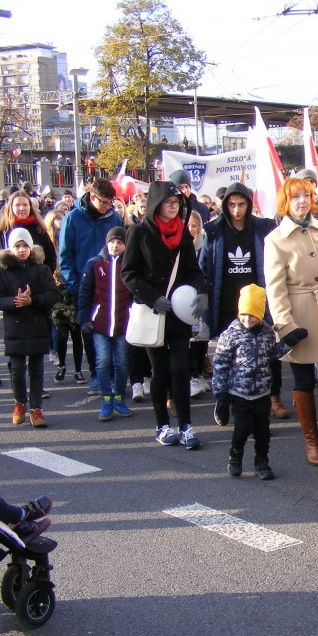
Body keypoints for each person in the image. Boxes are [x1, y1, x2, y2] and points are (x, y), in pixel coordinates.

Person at [121, 181, 210, 449]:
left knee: (180, 369)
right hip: (153, 311)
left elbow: (193, 269)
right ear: (156, 204)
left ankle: (185, 425)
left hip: (178, 312)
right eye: (169, 202)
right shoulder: (138, 232)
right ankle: (162, 425)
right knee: (159, 371)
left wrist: (202, 290)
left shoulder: (182, 232)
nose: (174, 206)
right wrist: (151, 297)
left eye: (177, 203)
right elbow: (129, 273)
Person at [264, 176, 318, 467]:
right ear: (286, 201)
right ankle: (311, 441)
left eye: (306, 195)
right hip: (299, 315)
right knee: (304, 380)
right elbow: (275, 287)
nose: (301, 201)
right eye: (295, 196)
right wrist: (285, 325)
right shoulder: (274, 239)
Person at [202, 182, 291, 419]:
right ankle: (227, 398)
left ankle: (274, 396)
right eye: (231, 205)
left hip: (258, 300)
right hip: (227, 300)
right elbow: (204, 266)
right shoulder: (214, 230)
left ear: (249, 204)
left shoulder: (262, 228)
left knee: (269, 350)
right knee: (228, 354)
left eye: (241, 204)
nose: (236, 210)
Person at [211, 284, 292, 481]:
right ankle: (235, 456)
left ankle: (261, 461)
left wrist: (290, 342)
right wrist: (221, 394)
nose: (248, 319)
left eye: (253, 314)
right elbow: (220, 364)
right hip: (239, 392)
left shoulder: (267, 332)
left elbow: (272, 355)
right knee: (242, 428)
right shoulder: (231, 334)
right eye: (244, 314)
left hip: (262, 393)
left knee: (263, 431)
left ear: (261, 314)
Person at [58, 177, 125, 395]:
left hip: (112, 283)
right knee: (89, 331)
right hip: (84, 284)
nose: (108, 206)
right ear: (92, 197)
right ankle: (96, 376)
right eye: (104, 202)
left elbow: (124, 248)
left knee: (115, 331)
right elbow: (65, 256)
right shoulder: (73, 218)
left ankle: (114, 377)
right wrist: (74, 285)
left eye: (111, 202)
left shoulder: (114, 217)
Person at [0, 227, 57, 427]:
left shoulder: (42, 269)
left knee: (36, 369)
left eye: (25, 245)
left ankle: (36, 409)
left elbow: (52, 295)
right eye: (17, 246)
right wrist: (14, 302)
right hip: (15, 327)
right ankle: (20, 403)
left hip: (37, 324)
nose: (21, 250)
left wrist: (33, 300)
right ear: (10, 249)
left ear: (31, 247)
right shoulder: (3, 272)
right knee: (17, 370)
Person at [77, 226, 134, 421]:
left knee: (121, 361)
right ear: (106, 242)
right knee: (102, 361)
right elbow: (84, 294)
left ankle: (119, 397)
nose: (115, 246)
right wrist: (84, 319)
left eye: (119, 242)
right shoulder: (94, 264)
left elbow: (135, 294)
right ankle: (105, 399)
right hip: (99, 324)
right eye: (112, 242)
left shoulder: (129, 264)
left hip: (123, 324)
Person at [186, 210, 210, 399]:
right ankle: (192, 375)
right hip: (185, 299)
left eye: (194, 225)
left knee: (202, 338)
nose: (191, 229)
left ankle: (199, 374)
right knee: (190, 339)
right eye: (188, 226)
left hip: (203, 296)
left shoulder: (205, 244)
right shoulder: (181, 245)